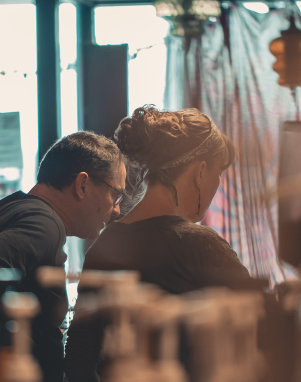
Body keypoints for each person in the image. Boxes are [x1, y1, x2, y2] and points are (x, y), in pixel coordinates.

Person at [64, 106, 252, 382]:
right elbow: (262, 332)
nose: (216, 187)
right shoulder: (200, 246)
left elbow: (79, 359)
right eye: (217, 175)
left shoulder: (106, 244)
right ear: (200, 172)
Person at [0, 131, 126, 382]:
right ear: (82, 185)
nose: (117, 209)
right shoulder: (43, 224)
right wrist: (16, 351)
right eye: (116, 194)